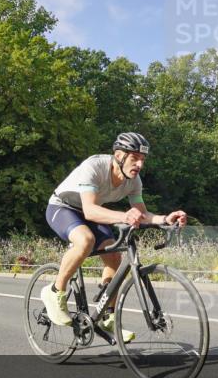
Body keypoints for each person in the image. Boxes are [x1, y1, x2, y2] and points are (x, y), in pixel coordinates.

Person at [42, 132, 187, 342]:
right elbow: (90, 211)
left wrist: (166, 219)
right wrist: (124, 216)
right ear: (119, 155)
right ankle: (55, 291)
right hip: (62, 207)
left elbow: (143, 214)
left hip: (91, 210)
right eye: (134, 158)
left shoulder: (134, 180)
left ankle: (106, 317)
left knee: (114, 257)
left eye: (142, 160)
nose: (139, 164)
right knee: (85, 240)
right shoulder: (94, 167)